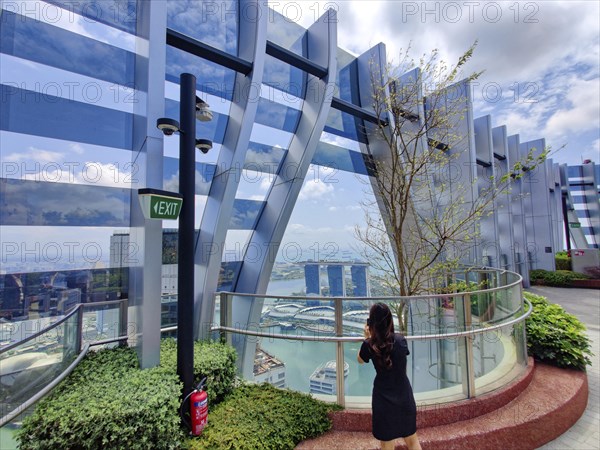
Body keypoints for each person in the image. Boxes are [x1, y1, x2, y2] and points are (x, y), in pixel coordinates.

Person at [357, 303, 422, 450]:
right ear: (390, 320)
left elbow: (360, 360)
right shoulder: (400, 340)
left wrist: (367, 337)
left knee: (387, 443)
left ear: (371, 322)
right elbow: (401, 354)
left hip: (383, 400)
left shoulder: (369, 345)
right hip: (404, 396)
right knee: (412, 440)